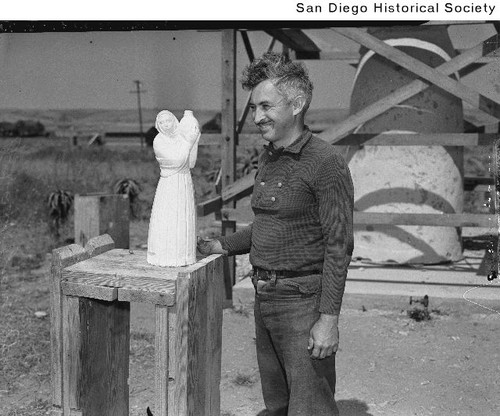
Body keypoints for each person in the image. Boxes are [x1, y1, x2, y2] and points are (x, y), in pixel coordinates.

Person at [198, 52, 354, 416]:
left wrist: (328, 320)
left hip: (303, 303)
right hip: (264, 299)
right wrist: (221, 245)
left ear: (297, 104)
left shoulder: (326, 163)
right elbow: (269, 226)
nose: (256, 117)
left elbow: (339, 245)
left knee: (310, 407)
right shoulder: (270, 157)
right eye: (254, 108)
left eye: (265, 106)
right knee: (278, 404)